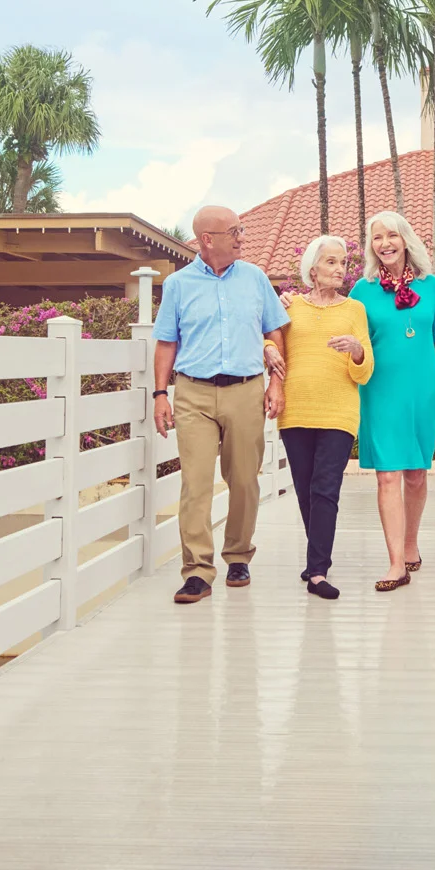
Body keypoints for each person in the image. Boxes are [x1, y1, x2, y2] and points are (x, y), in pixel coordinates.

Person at [152, 205, 289, 604]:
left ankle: (239, 556)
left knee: (244, 479)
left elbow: (275, 331)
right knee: (195, 484)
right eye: (235, 231)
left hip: (246, 389)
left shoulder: (255, 277)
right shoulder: (178, 284)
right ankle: (197, 570)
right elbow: (166, 342)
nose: (242, 237)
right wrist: (161, 394)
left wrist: (276, 383)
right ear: (208, 239)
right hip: (193, 392)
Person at [348, 210, 435, 591]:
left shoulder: (432, 286)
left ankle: (410, 544)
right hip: (379, 389)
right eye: (377, 238)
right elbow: (346, 337)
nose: (385, 243)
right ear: (371, 246)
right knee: (387, 473)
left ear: (406, 239)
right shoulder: (361, 291)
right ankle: (395, 564)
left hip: (422, 387)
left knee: (415, 473)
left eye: (392, 235)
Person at [269, 235, 373, 600]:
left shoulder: (354, 310)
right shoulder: (290, 306)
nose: (339, 269)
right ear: (312, 269)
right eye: (331, 262)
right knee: (304, 488)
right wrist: (269, 348)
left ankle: (317, 571)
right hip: (296, 409)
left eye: (343, 262)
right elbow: (271, 341)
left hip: (339, 411)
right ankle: (316, 559)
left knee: (326, 487)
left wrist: (357, 350)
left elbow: (365, 371)